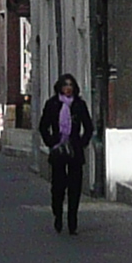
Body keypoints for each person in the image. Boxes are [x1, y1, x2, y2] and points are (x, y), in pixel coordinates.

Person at [37, 74, 96, 234]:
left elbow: (89, 127)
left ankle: (72, 222)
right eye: (65, 85)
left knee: (74, 187)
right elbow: (43, 127)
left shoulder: (79, 105)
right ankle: (57, 215)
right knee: (58, 187)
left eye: (70, 85)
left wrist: (81, 143)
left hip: (74, 151)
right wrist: (52, 143)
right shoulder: (52, 104)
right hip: (58, 151)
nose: (68, 88)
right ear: (60, 87)